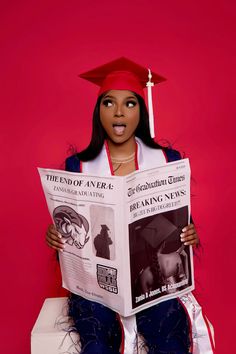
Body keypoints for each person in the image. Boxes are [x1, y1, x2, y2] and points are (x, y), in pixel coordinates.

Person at [46, 57, 214, 354]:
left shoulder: (167, 160)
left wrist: (190, 234)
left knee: (170, 334)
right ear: (98, 112)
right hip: (97, 288)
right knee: (96, 342)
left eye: (130, 103)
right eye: (109, 103)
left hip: (152, 284)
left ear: (141, 111)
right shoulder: (78, 166)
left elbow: (179, 223)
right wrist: (57, 237)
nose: (119, 112)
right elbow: (72, 230)